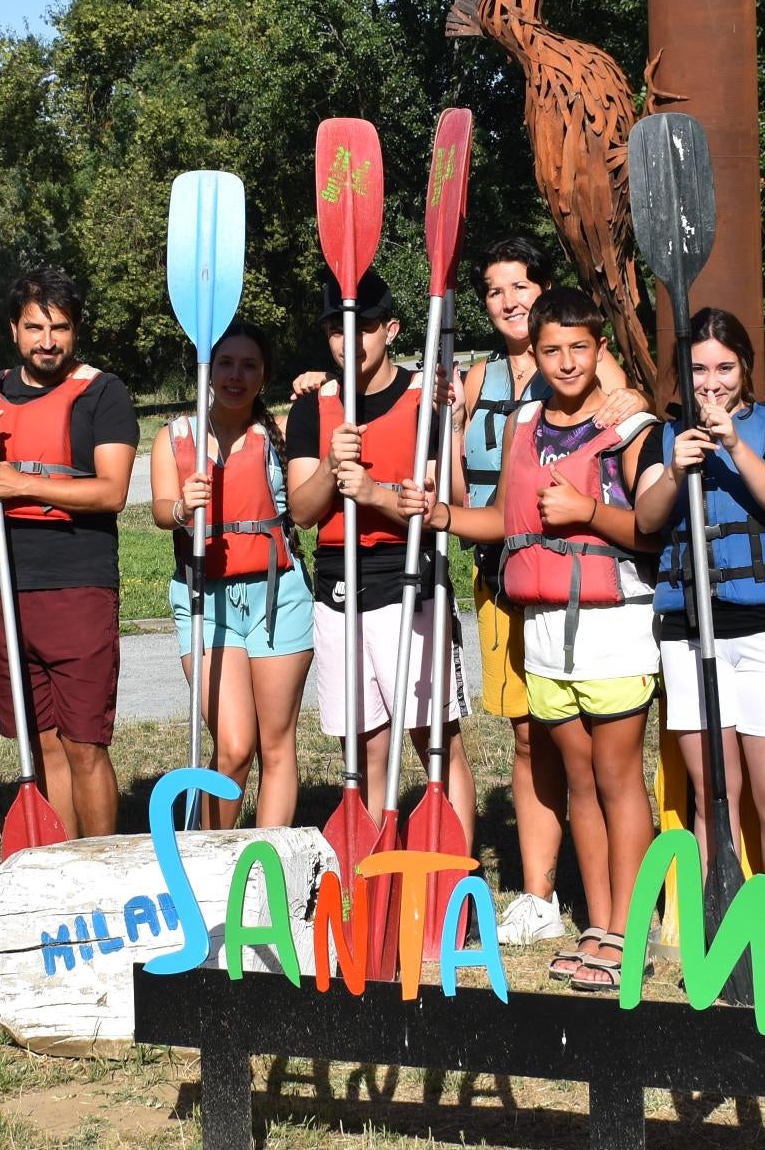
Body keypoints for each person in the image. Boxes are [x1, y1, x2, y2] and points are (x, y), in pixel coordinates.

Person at [443, 286, 654, 995]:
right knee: (581, 782)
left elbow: (651, 530)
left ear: (601, 352)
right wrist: (433, 511)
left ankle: (629, 930)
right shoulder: (525, 421)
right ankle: (599, 921)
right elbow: (506, 520)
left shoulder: (629, 425)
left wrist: (587, 511)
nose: (566, 362)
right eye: (552, 349)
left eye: (579, 348)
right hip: (544, 633)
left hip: (611, 625)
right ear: (532, 354)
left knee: (620, 779)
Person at [0, 267, 135, 839]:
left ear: (75, 331)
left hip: (78, 586)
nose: (47, 341)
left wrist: (22, 483)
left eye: (60, 328)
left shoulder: (104, 392)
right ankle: (64, 864)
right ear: (13, 329)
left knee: (85, 744)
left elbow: (111, 492)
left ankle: (104, 864)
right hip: (7, 589)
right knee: (42, 740)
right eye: (34, 327)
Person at [628, 308, 765, 899]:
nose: (712, 382)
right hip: (688, 630)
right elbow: (648, 522)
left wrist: (732, 442)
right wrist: (676, 470)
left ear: (745, 368)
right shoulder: (663, 434)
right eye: (700, 369)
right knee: (714, 796)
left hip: (764, 628)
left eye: (725, 367)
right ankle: (719, 930)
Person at [288, 272, 472, 842]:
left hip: (409, 580)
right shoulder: (312, 407)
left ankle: (454, 883)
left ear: (390, 330)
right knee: (364, 748)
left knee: (436, 744)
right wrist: (329, 466)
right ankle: (375, 884)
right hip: (338, 588)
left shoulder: (428, 399)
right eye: (338, 330)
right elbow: (301, 509)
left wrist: (373, 492)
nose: (350, 341)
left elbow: (445, 503)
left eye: (364, 328)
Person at [152, 320, 311, 826]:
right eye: (225, 363)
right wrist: (181, 507)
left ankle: (269, 870)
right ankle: (213, 861)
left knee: (276, 744)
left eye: (249, 365)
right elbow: (159, 511)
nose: (235, 375)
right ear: (207, 370)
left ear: (264, 377)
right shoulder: (175, 437)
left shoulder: (277, 434)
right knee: (235, 746)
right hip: (205, 599)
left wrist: (317, 390)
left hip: (277, 597)